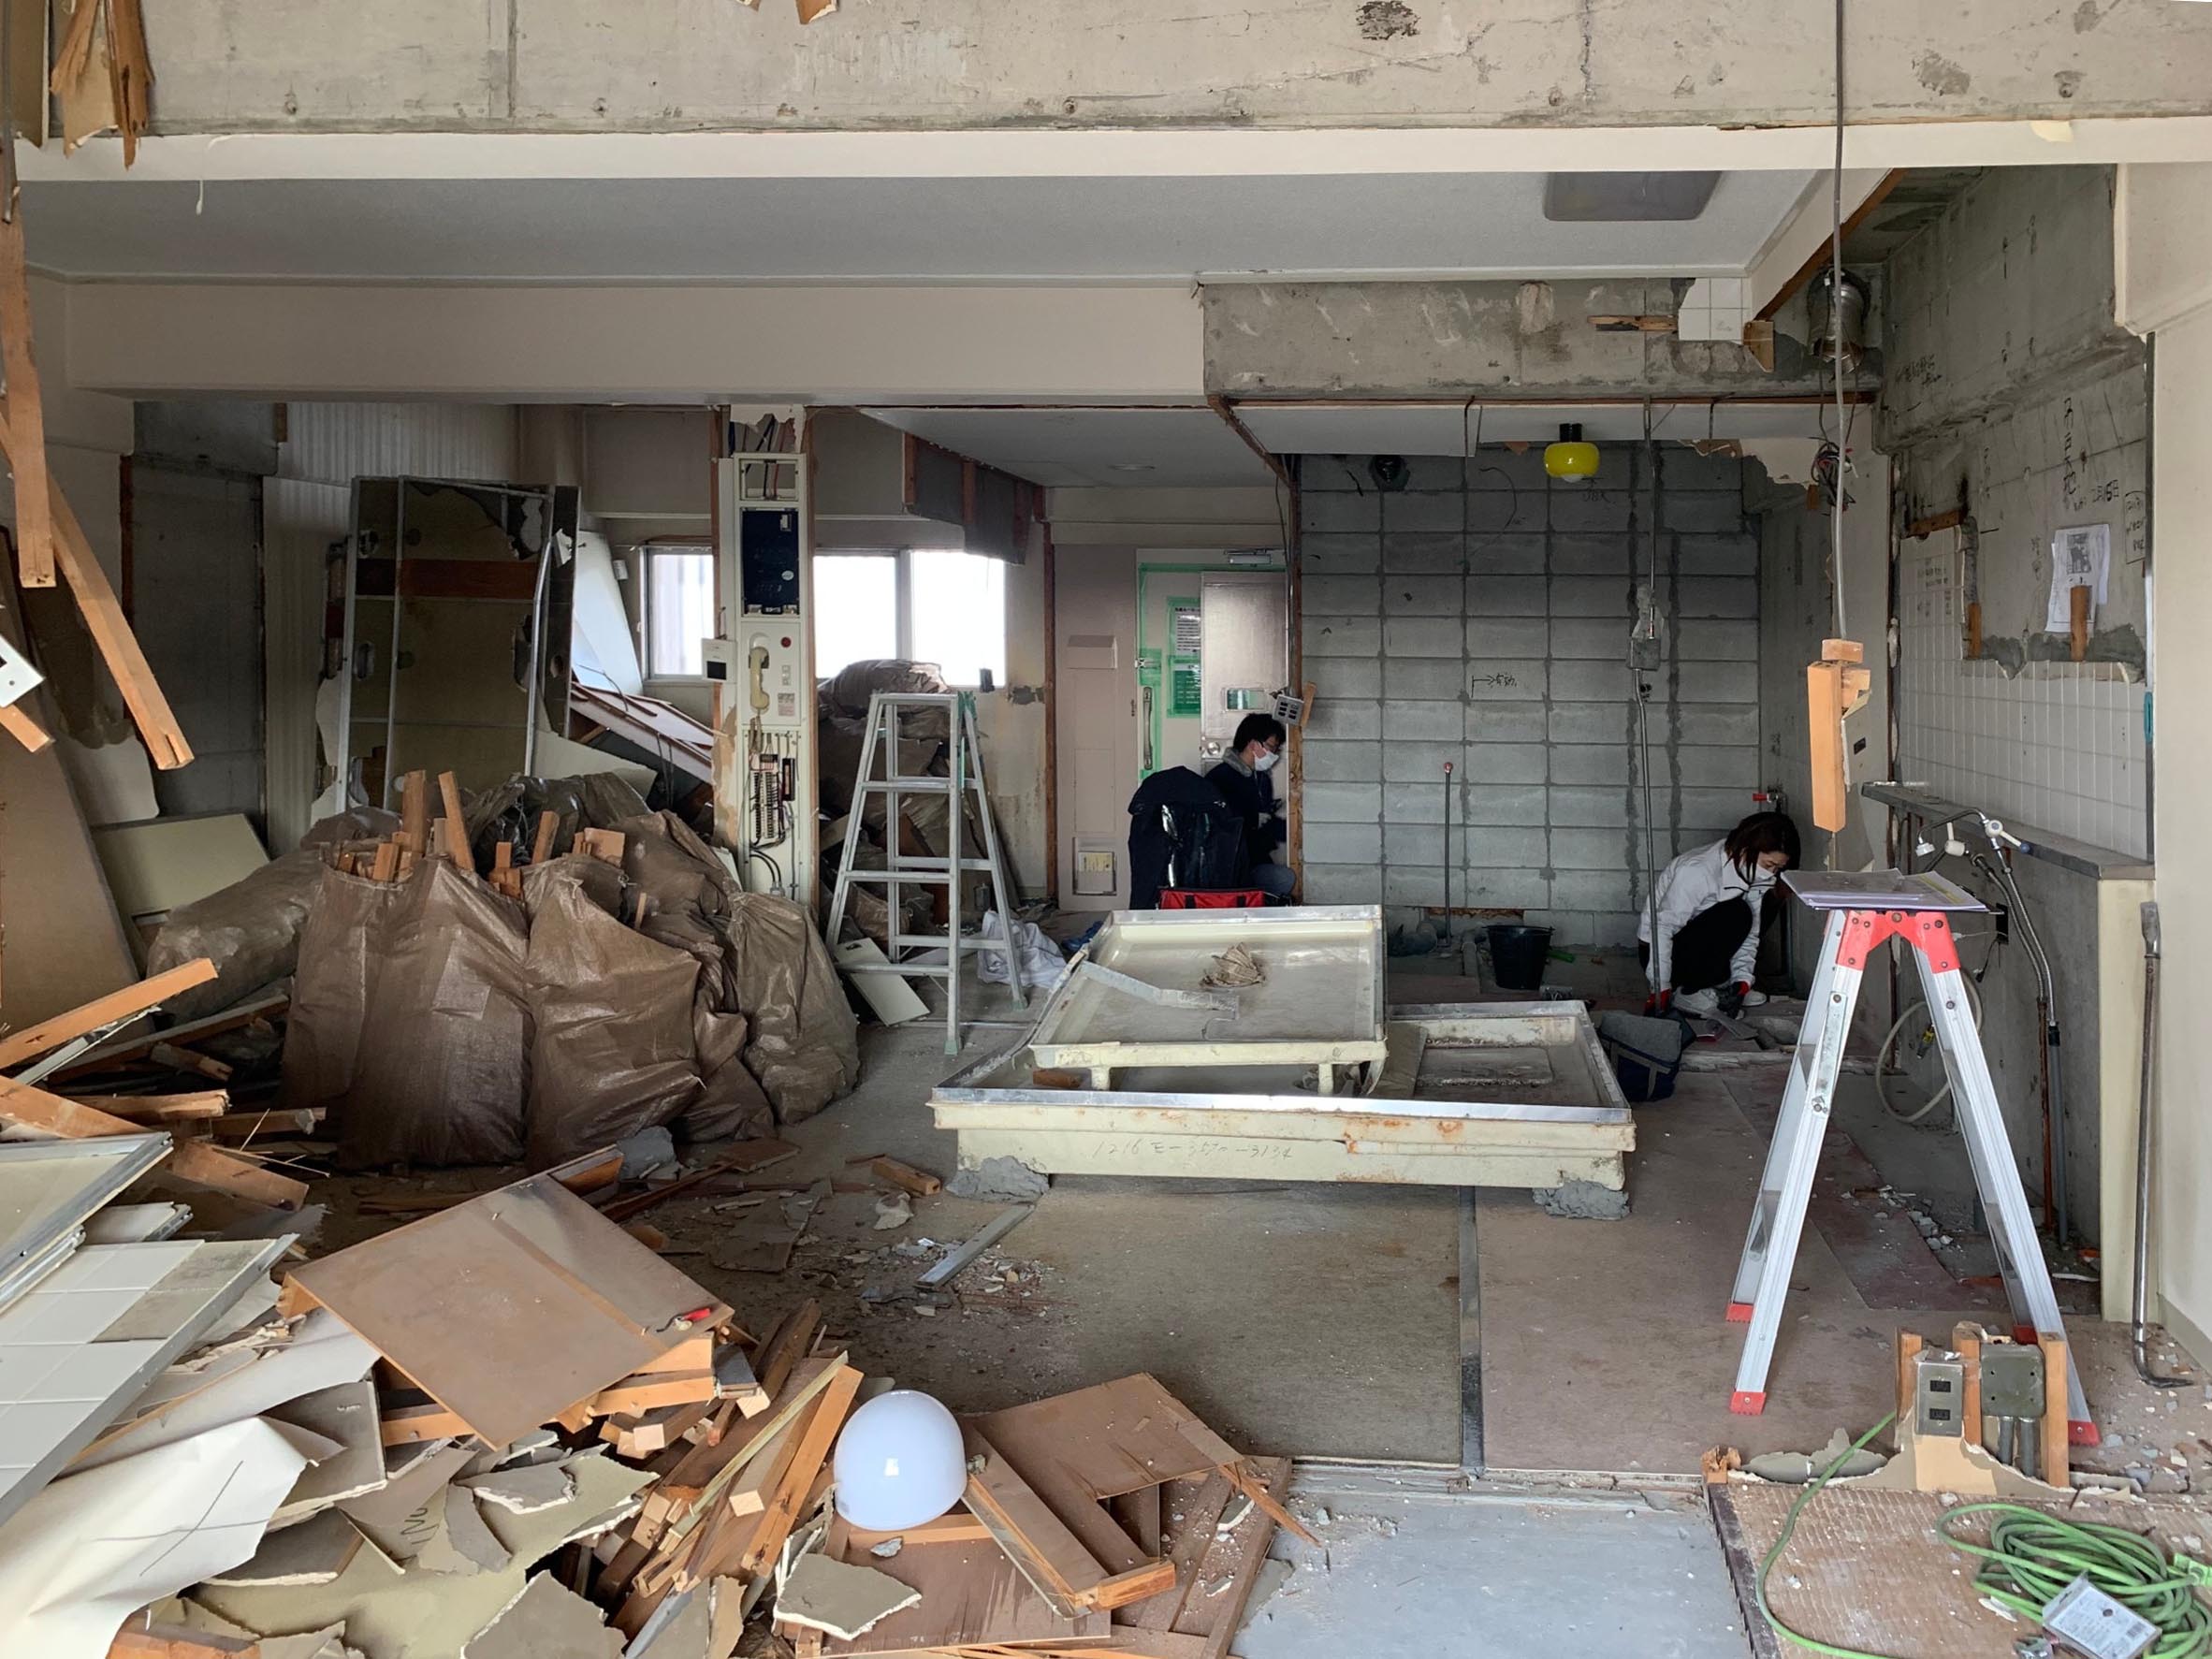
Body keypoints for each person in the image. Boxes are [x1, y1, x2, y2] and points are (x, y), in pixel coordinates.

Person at [1639, 811, 1800, 1016]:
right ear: (1746, 848)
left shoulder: (1753, 872)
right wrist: (1660, 985)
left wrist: (1742, 980)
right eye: (1768, 865)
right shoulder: (1698, 870)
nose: (1771, 873)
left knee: (1762, 906)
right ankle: (1688, 991)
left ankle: (1723, 985)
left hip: (1701, 943)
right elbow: (1662, 928)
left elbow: (1751, 932)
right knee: (1736, 913)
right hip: (1659, 952)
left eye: (1777, 867)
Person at [1205, 713, 1296, 899]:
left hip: (1255, 859)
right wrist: (1253, 820)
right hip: (1231, 866)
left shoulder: (1261, 778)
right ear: (1253, 744)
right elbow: (1219, 825)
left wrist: (1294, 831)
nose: (1275, 755)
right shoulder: (1220, 779)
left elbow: (1267, 822)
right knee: (1282, 879)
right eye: (1272, 747)